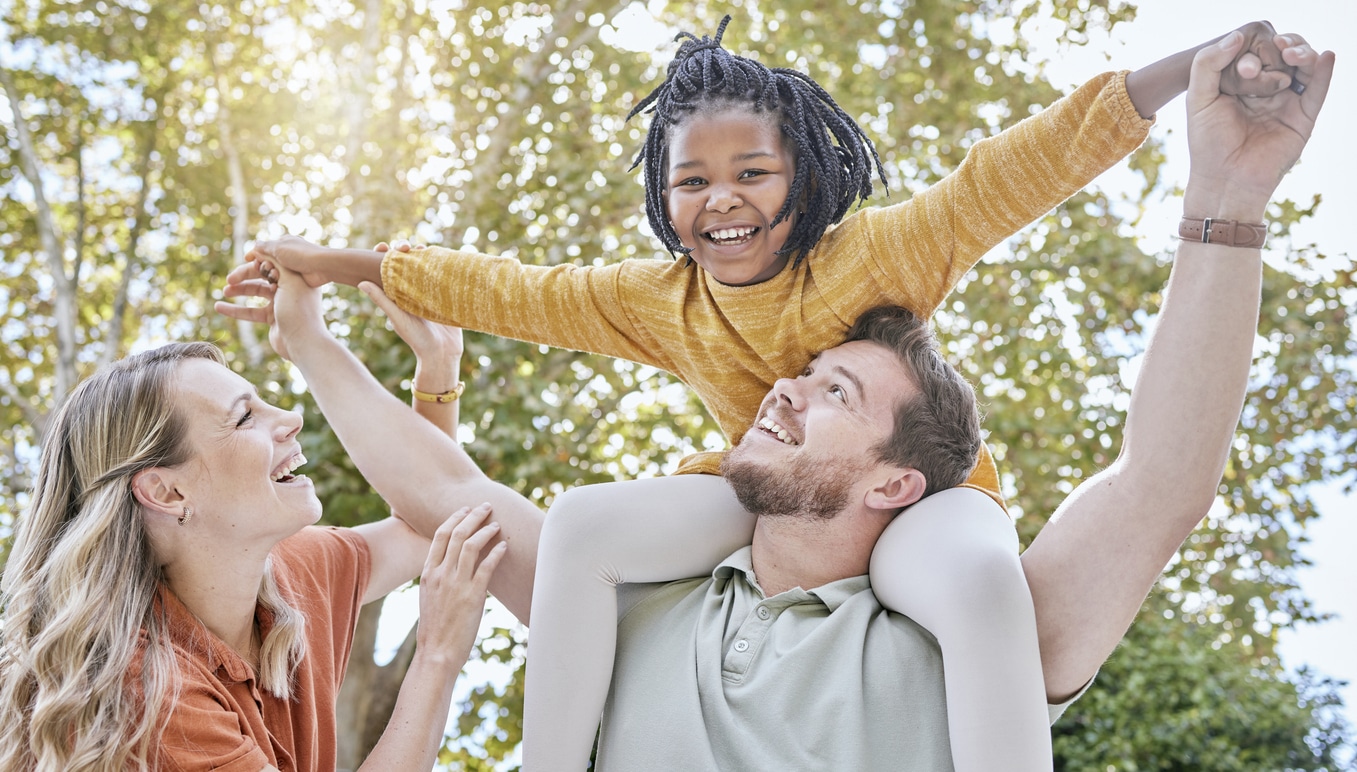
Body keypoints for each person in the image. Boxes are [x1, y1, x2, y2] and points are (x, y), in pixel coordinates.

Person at [219, 17, 1316, 770]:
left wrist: (1208, 137)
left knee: (987, 589)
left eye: (834, 383)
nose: (784, 386)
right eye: (690, 180)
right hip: (730, 517)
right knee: (589, 520)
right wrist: (321, 293)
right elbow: (490, 338)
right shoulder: (632, 600)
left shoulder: (951, 623)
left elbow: (1023, 178)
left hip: (945, 523)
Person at [0, 299, 505, 771]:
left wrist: (437, 368)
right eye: (244, 417)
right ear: (167, 491)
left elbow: (424, 523)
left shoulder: (294, 572)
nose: (291, 418)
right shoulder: (141, 690)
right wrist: (437, 655)